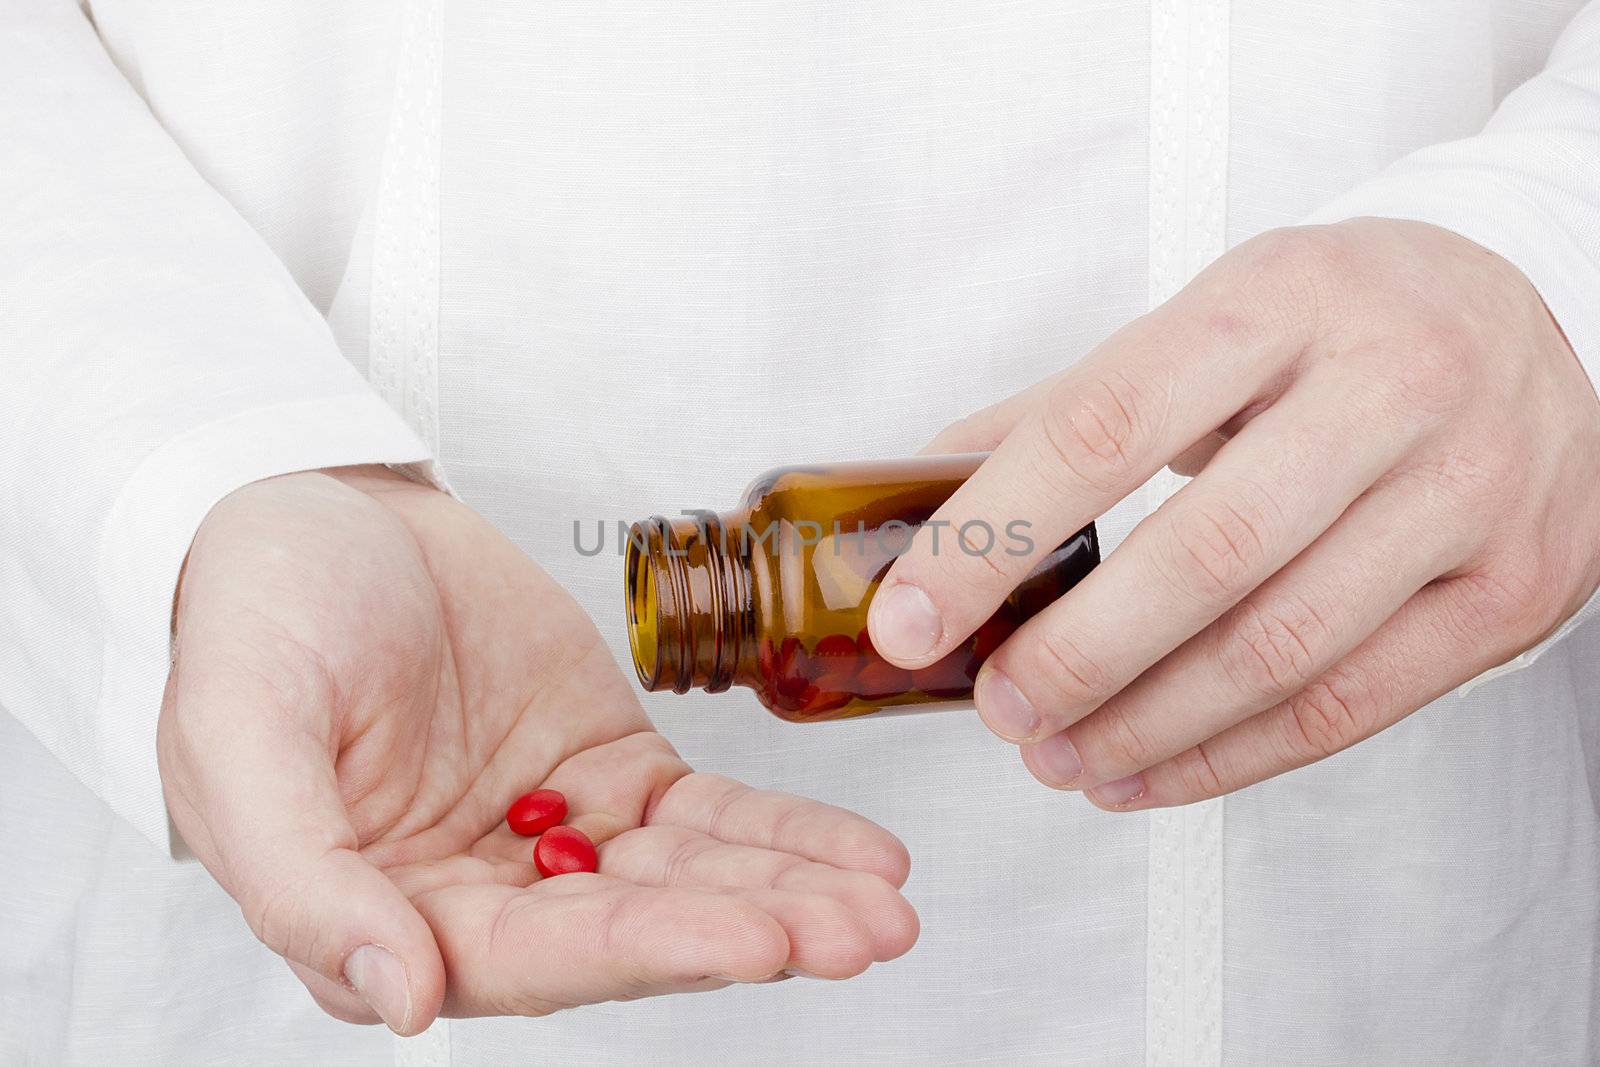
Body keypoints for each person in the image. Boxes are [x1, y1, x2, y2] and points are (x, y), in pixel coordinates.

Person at [3, 0, 1598, 1061]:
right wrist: (193, 472)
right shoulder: (768, 618)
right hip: (293, 786)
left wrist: (1553, 272)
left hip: (1366, 919)